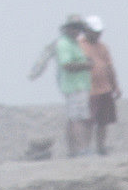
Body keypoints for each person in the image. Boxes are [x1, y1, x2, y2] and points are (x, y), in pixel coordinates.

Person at [29, 16, 90, 157]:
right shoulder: (64, 44)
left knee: (74, 119)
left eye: (79, 28)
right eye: (75, 28)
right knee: (77, 119)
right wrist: (86, 65)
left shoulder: (73, 43)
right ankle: (81, 149)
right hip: (73, 87)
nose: (78, 31)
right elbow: (67, 65)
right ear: (68, 28)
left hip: (78, 86)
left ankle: (74, 151)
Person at [81, 19, 120, 155]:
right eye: (95, 32)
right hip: (89, 90)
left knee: (103, 121)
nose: (97, 35)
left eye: (99, 32)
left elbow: (109, 67)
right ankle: (86, 148)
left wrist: (115, 86)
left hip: (105, 88)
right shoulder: (80, 45)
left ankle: (101, 147)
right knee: (89, 121)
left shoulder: (103, 47)